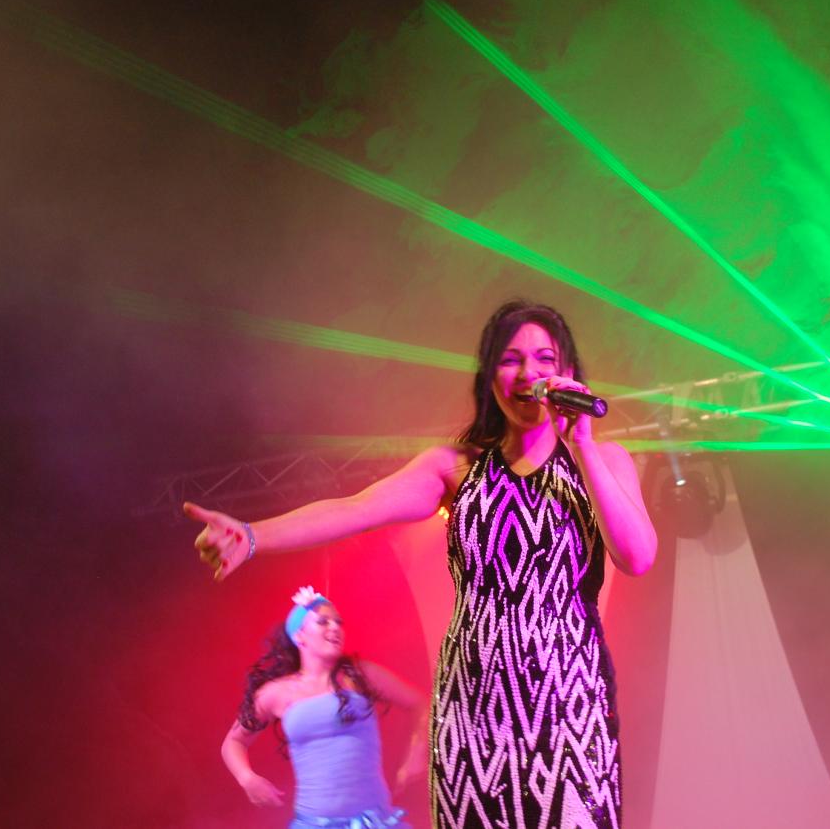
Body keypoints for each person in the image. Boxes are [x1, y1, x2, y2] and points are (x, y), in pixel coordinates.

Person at [189, 299, 657, 829]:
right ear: (489, 378)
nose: (529, 373)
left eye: (544, 359)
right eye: (510, 360)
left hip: (571, 712)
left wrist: (584, 445)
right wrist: (252, 536)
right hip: (473, 715)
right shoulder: (455, 469)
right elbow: (355, 509)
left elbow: (638, 557)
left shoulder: (603, 461)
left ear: (567, 373)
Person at [222, 585, 425, 828]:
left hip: (373, 821)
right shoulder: (276, 693)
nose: (335, 627)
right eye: (323, 622)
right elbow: (233, 742)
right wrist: (247, 778)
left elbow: (421, 704)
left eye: (338, 622)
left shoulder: (360, 675)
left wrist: (417, 753)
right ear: (300, 636)